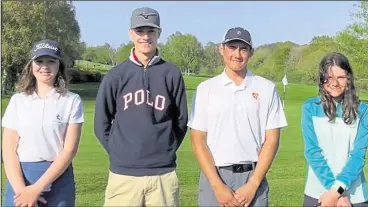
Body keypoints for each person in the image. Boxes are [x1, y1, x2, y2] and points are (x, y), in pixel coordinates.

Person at [94, 7, 188, 207]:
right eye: (140, 31)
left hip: (163, 174)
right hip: (123, 175)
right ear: (131, 34)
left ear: (159, 33)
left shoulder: (171, 73)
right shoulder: (116, 75)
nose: (145, 37)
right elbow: (101, 123)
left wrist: (165, 149)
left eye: (151, 31)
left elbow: (181, 121)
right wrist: (120, 153)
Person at [188, 27, 288, 207]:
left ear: (251, 53)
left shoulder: (266, 88)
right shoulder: (206, 89)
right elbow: (198, 141)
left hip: (253, 176)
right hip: (215, 176)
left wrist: (253, 184)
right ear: (222, 49)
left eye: (243, 49)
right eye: (232, 47)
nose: (237, 54)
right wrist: (217, 186)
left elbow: (272, 140)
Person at [2, 39, 84, 207]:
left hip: (58, 179)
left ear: (59, 65)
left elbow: (69, 150)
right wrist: (22, 191)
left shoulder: (71, 100)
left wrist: (36, 189)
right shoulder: (18, 100)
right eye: (39, 61)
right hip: (20, 178)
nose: (45, 66)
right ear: (31, 66)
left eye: (51, 61)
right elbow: (8, 151)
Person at [301, 52, 368, 207]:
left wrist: (336, 191)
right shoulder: (309, 108)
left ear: (348, 79)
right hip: (318, 194)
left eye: (341, 77)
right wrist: (335, 193)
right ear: (322, 79)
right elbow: (312, 152)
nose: (335, 83)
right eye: (329, 77)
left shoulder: (363, 111)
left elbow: (358, 156)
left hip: (355, 196)